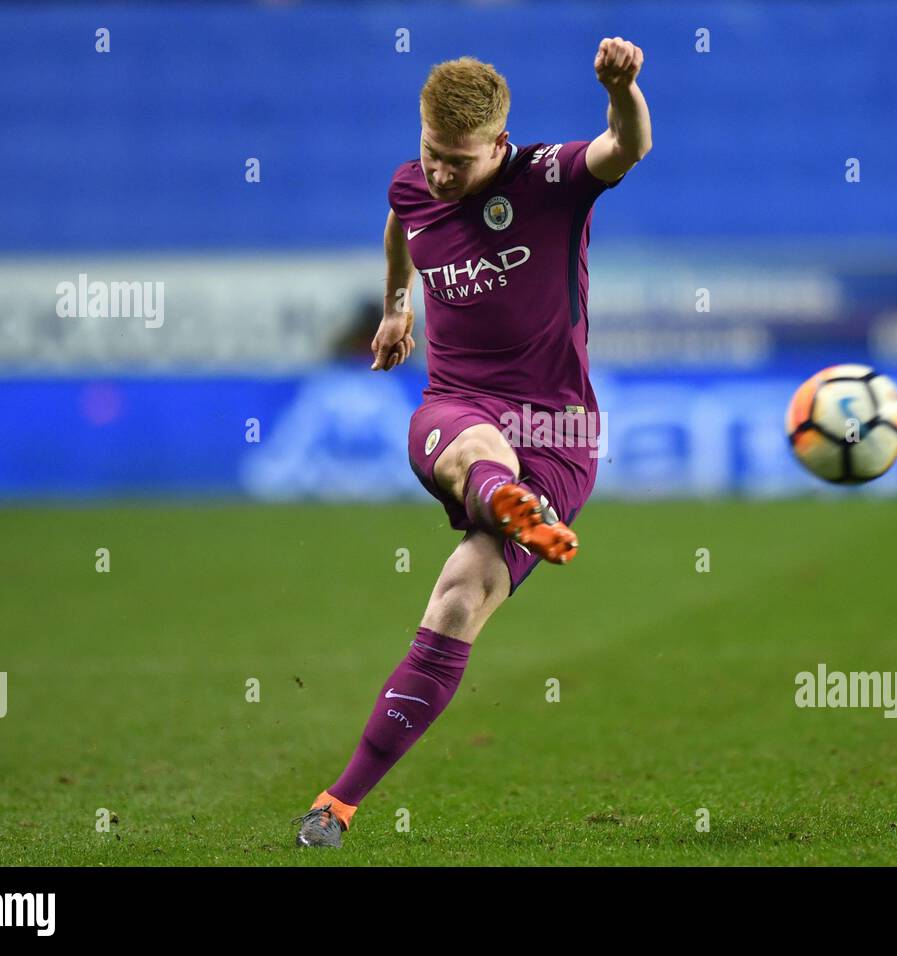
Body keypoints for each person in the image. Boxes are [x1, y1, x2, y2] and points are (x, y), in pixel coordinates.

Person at [295, 38, 652, 848]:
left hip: (557, 434)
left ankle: (339, 803)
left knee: (458, 598)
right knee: (471, 449)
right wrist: (396, 309)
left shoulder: (551, 180)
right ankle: (507, 500)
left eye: (458, 161)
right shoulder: (412, 185)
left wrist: (623, 91)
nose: (441, 175)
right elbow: (400, 226)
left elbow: (627, 146)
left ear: (499, 145)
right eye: (431, 155)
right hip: (456, 406)